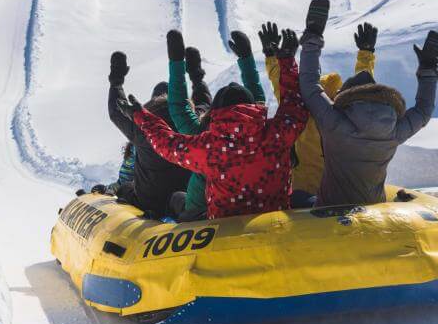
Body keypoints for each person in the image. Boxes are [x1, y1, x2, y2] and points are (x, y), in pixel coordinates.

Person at [119, 30, 308, 220]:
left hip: (223, 233)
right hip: (276, 223)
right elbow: (295, 104)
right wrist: (286, 61)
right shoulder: (277, 134)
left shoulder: (209, 148)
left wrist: (140, 115)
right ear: (255, 109)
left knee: (176, 199)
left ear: (216, 113)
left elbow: (167, 143)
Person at [298, 0, 438, 206]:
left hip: (330, 209)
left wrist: (313, 37)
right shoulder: (391, 129)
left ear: (345, 98)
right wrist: (429, 71)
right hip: (374, 208)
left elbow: (310, 86)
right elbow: (423, 112)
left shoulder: (335, 123)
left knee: (297, 197)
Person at [259, 21, 378, 206]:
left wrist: (271, 56)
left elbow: (280, 84)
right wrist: (366, 53)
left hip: (303, 194)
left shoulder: (298, 113)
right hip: (341, 193)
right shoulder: (346, 115)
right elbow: (362, 88)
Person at [166, 29, 266, 221]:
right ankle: (197, 77)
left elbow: (178, 107)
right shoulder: (267, 132)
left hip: (203, 216)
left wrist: (176, 63)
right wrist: (247, 59)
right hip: (261, 209)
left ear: (215, 112)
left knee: (176, 198)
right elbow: (257, 101)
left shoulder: (205, 140)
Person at [106, 51, 190, 217]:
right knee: (180, 197)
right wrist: (197, 78)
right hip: (180, 199)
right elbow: (204, 104)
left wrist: (116, 82)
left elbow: (116, 112)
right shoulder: (189, 126)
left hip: (148, 201)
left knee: (125, 188)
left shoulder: (142, 129)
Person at [92, 81, 169, 195]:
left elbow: (125, 180)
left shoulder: (142, 136)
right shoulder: (187, 136)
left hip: (146, 200)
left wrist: (109, 191)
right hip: (179, 202)